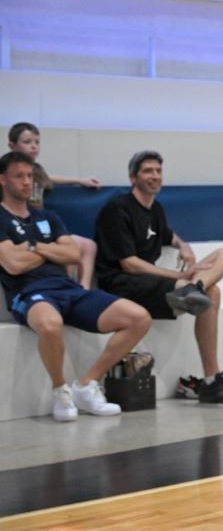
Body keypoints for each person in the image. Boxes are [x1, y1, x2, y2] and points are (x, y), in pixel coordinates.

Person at [0, 151, 151, 421]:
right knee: (50, 325)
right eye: (18, 176)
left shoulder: (47, 216)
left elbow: (73, 254)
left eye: (29, 176)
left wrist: (32, 246)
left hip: (68, 289)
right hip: (30, 292)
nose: (26, 182)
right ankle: (60, 390)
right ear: (2, 180)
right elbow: (13, 264)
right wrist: (51, 250)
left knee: (138, 318)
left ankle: (86, 385)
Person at [93, 151, 223, 404]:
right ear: (133, 177)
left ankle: (212, 380)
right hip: (122, 284)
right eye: (148, 171)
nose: (155, 176)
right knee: (209, 292)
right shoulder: (117, 208)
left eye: (158, 171)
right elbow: (130, 264)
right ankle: (192, 288)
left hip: (152, 284)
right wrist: (178, 275)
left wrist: (184, 246)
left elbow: (169, 235)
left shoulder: (155, 209)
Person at [7, 122, 101, 288]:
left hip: (42, 228)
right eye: (27, 142)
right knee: (66, 252)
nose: (34, 146)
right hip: (23, 230)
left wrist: (79, 180)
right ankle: (67, 287)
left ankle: (83, 289)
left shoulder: (38, 169)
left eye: (37, 142)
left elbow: (49, 179)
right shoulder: (6, 170)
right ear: (12, 146)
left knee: (88, 245)